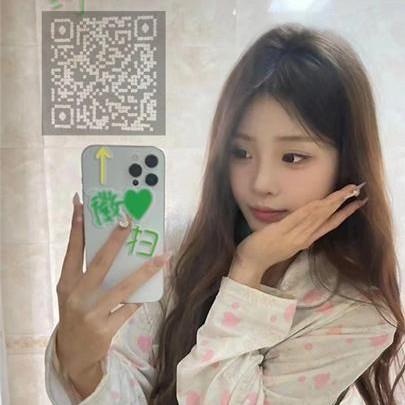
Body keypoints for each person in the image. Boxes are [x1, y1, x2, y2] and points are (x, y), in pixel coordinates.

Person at [44, 23, 405, 404]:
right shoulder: (178, 245)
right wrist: (82, 366)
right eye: (241, 152)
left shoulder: (356, 311)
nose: (261, 183)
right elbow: (130, 385)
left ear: (345, 163)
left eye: (293, 157)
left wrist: (248, 272)